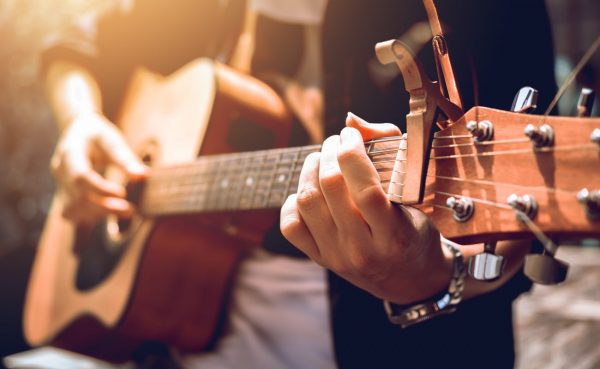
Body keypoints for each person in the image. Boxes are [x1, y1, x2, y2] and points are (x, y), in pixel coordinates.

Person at [41, 0, 557, 368]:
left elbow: (520, 217)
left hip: (402, 347)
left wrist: (428, 276)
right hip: (178, 333)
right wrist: (80, 122)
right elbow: (75, 44)